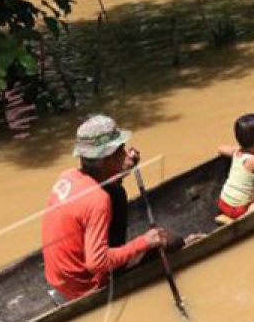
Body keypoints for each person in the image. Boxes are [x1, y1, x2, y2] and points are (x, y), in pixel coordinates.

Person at [41, 114, 170, 302]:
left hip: (59, 280)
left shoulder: (67, 175)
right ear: (105, 158)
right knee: (169, 241)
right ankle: (116, 273)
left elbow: (103, 183)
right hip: (85, 287)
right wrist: (144, 242)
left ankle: (117, 264)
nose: (126, 153)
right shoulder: (97, 200)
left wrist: (123, 169)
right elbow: (97, 262)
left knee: (116, 193)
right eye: (120, 150)